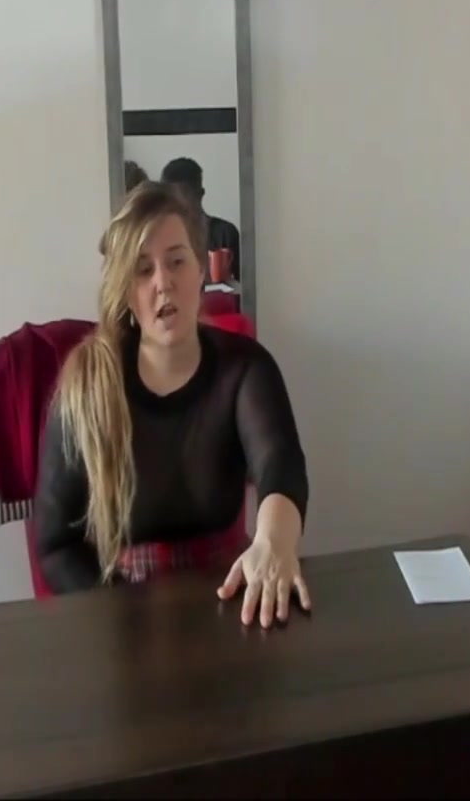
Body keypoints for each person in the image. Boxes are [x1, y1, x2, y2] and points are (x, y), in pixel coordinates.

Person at [34, 182, 311, 628]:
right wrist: (123, 617)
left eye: (177, 261)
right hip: (123, 619)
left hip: (230, 602)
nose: (163, 282)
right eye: (143, 270)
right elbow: (55, 544)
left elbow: (281, 465)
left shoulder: (245, 368)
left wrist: (274, 543)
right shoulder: (87, 384)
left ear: (201, 269)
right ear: (126, 291)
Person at [160, 157, 241, 280]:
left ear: (200, 194)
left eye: (182, 198)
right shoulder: (161, 238)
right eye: (168, 199)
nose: (174, 207)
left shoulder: (225, 234)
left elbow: (246, 285)